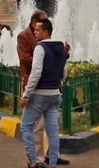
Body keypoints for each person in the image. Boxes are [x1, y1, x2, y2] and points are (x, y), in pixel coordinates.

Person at [21, 18, 67, 168]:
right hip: (55, 94)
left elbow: (36, 72)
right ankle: (52, 163)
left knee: (26, 126)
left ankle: (34, 162)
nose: (34, 32)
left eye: (38, 30)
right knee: (53, 130)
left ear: (46, 32)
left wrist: (26, 94)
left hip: (39, 94)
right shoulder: (61, 48)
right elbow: (64, 72)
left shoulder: (40, 48)